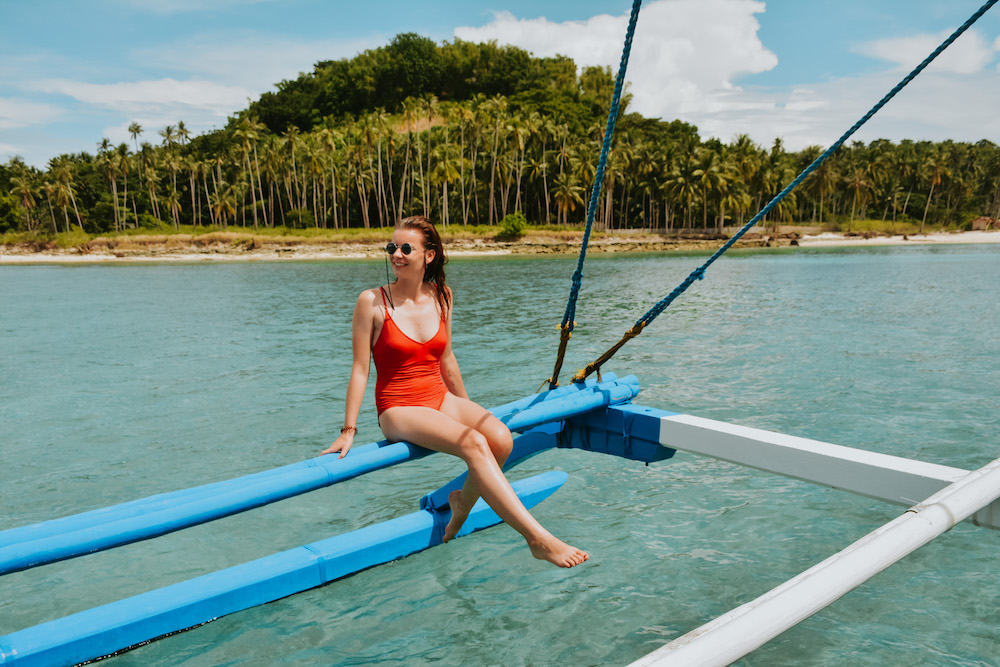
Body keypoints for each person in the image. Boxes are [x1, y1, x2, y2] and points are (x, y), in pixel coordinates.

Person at [322, 216, 588, 568]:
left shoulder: (443, 296)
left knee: (500, 439)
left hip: (439, 397)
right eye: (391, 248)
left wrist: (466, 405)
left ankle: (463, 502)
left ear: (429, 256)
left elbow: (446, 358)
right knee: (474, 444)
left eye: (405, 248)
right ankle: (537, 538)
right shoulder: (372, 301)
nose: (396, 255)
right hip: (399, 406)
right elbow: (360, 369)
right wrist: (348, 430)